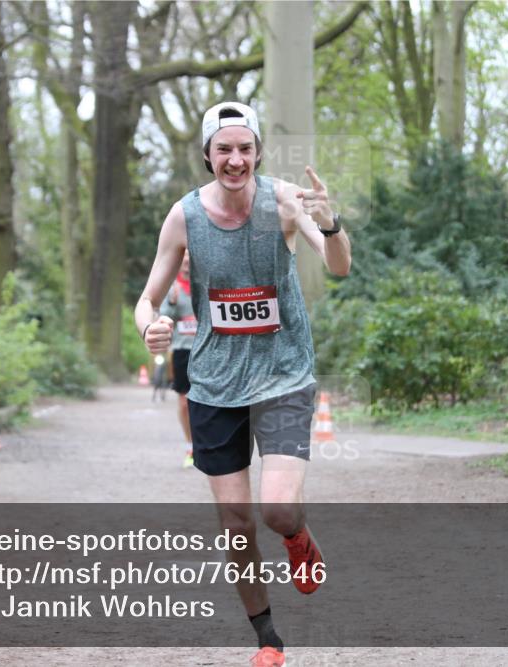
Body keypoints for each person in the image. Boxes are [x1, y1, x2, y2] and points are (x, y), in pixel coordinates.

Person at [135, 101, 351, 667]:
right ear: (208, 155)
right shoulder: (184, 217)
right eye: (224, 149)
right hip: (213, 383)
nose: (235, 159)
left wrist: (330, 222)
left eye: (245, 148)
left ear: (258, 152)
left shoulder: (282, 201)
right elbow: (147, 298)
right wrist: (150, 328)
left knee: (277, 510)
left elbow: (338, 265)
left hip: (282, 373)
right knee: (236, 526)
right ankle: (268, 640)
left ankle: (298, 535)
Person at [158, 251, 197, 468]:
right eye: (183, 262)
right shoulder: (173, 288)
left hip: (207, 349)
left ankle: (206, 443)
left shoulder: (205, 284)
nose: (187, 266)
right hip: (182, 351)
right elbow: (163, 317)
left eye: (190, 262)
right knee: (184, 402)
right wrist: (172, 304)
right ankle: (190, 444)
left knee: (205, 400)